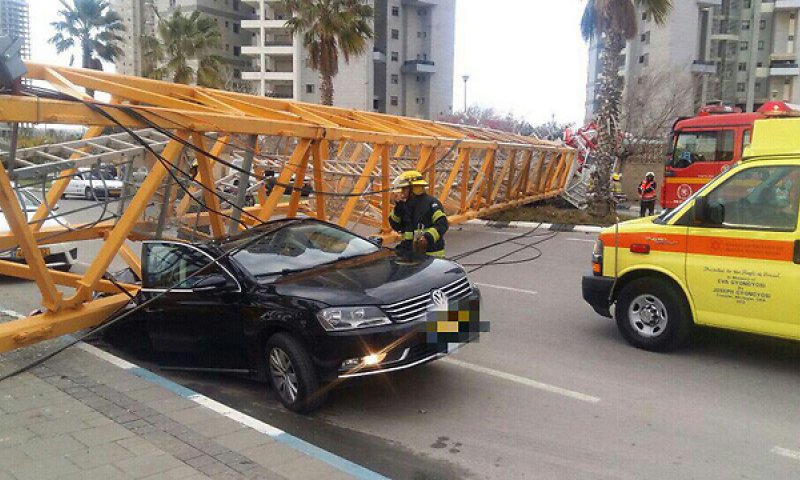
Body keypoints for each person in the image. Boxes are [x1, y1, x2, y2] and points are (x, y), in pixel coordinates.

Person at [389, 170, 449, 258]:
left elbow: (442, 224)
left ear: (413, 188)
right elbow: (396, 225)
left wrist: (427, 237)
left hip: (430, 253)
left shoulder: (431, 203)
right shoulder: (405, 205)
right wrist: (398, 207)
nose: (402, 192)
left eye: (404, 188)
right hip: (408, 250)